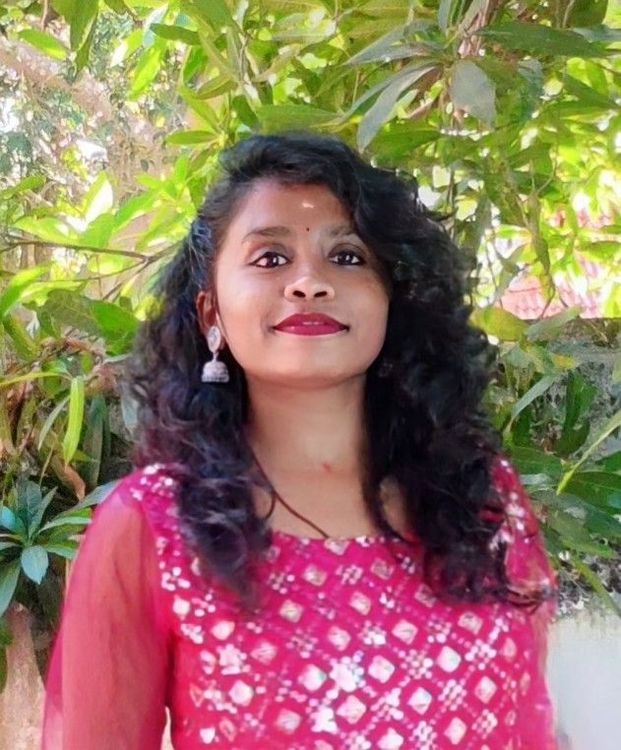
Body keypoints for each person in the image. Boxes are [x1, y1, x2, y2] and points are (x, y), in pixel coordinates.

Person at [41, 132, 559, 749]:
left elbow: (532, 723)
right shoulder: (152, 525)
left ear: (390, 300)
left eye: (347, 257)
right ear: (212, 314)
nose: (309, 282)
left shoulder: (479, 497)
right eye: (270, 259)